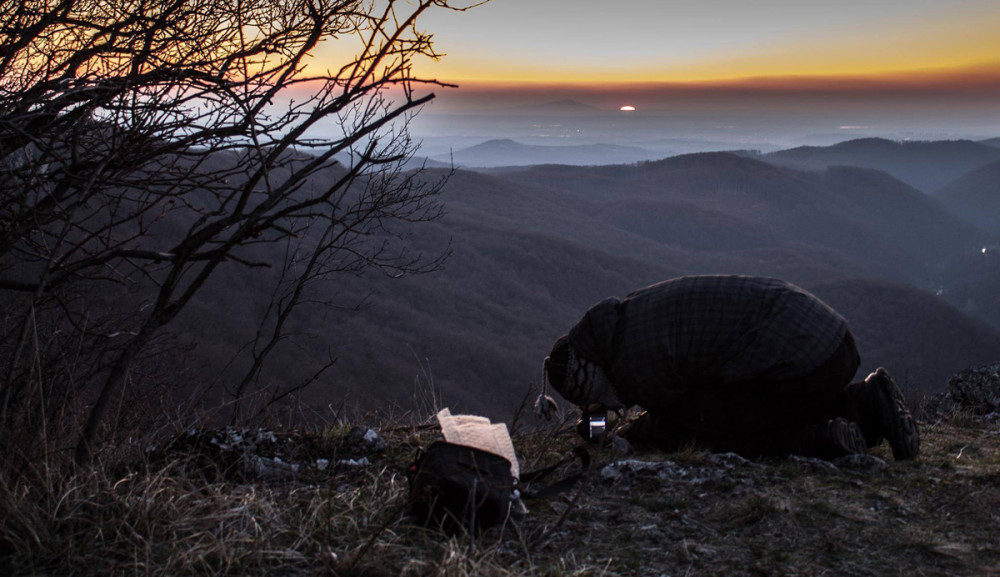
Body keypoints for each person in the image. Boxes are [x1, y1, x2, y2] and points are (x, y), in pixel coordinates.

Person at [534, 275, 920, 460]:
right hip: (830, 343)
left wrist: (630, 432)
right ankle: (868, 402)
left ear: (597, 376)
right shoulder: (627, 320)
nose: (608, 404)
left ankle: (819, 441)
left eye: (597, 398)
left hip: (808, 361)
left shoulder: (635, 360)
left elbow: (674, 420)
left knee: (710, 428)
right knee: (753, 399)